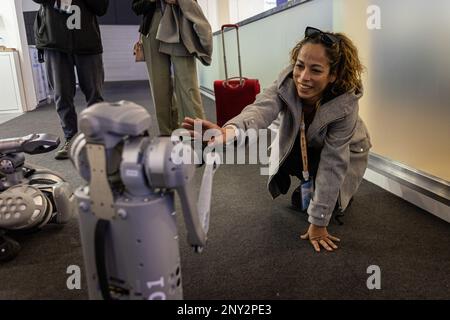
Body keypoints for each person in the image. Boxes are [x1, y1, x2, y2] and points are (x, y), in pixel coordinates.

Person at [182, 26, 372, 253]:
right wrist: (230, 131)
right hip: (308, 144)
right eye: (299, 66)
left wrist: (319, 222)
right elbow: (259, 111)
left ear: (333, 75)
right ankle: (309, 184)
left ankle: (328, 195)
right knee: (288, 158)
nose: (303, 77)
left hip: (348, 152)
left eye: (316, 70)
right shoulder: (286, 84)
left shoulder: (346, 103)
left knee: (335, 205)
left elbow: (333, 162)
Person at [33, 0, 109, 159]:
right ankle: (71, 140)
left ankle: (96, 138)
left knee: (94, 95)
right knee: (62, 95)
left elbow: (101, 7)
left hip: (87, 42)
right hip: (54, 41)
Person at [132, 0, 211, 136]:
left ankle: (198, 136)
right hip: (152, 26)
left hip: (179, 22)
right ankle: (167, 135)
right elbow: (136, 6)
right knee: (159, 88)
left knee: (188, 86)